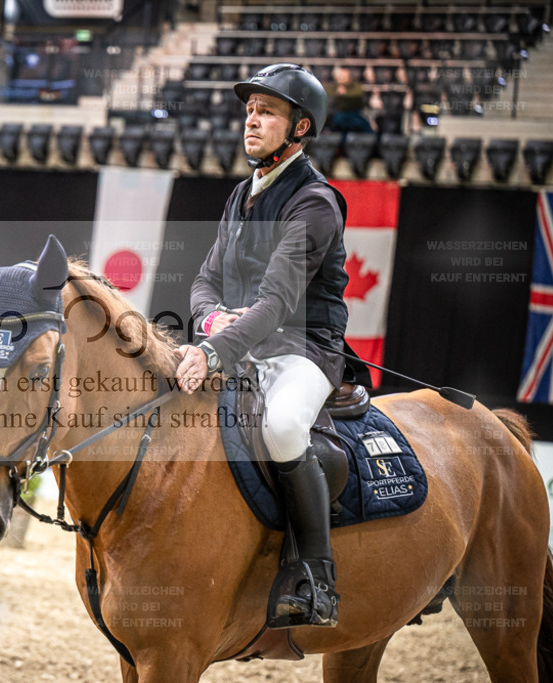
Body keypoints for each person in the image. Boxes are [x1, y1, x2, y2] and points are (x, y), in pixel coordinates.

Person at [174, 63, 369, 629]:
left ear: (301, 127)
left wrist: (211, 352)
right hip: (242, 342)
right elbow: (203, 282)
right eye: (250, 110)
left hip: (303, 349)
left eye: (267, 112)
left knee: (283, 426)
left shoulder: (315, 202)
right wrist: (211, 325)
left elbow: (279, 302)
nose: (251, 121)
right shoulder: (242, 194)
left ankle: (317, 578)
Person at [324, 66, 373, 134]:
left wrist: (344, 94)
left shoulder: (356, 86)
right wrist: (338, 93)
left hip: (354, 113)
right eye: (340, 77)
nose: (341, 79)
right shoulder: (333, 87)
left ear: (349, 78)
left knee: (363, 124)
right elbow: (327, 94)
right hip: (338, 113)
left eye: (344, 77)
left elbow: (357, 96)